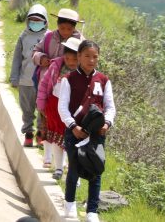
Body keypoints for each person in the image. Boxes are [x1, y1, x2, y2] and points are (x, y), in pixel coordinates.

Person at [58, 40, 114, 222]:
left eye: (95, 57)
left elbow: (110, 106)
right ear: (79, 57)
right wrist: (73, 126)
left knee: (96, 169)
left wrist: (106, 123)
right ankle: (70, 203)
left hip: (96, 133)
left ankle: (92, 211)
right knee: (74, 168)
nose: (91, 60)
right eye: (87, 56)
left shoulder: (104, 80)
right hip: (74, 132)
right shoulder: (68, 79)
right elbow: (62, 107)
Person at [37, 36, 81, 180]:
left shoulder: (81, 73)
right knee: (56, 138)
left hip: (71, 111)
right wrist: (41, 103)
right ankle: (58, 168)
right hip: (54, 107)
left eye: (75, 60)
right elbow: (44, 85)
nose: (71, 62)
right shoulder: (56, 66)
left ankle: (72, 168)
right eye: (68, 58)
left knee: (69, 140)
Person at [11, 4, 48, 147]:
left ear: (45, 22)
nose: (35, 23)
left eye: (39, 21)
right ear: (28, 21)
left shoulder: (49, 37)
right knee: (27, 109)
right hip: (25, 80)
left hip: (42, 82)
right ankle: (28, 132)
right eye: (33, 20)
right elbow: (17, 59)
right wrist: (14, 78)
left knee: (42, 109)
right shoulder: (23, 37)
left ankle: (40, 133)